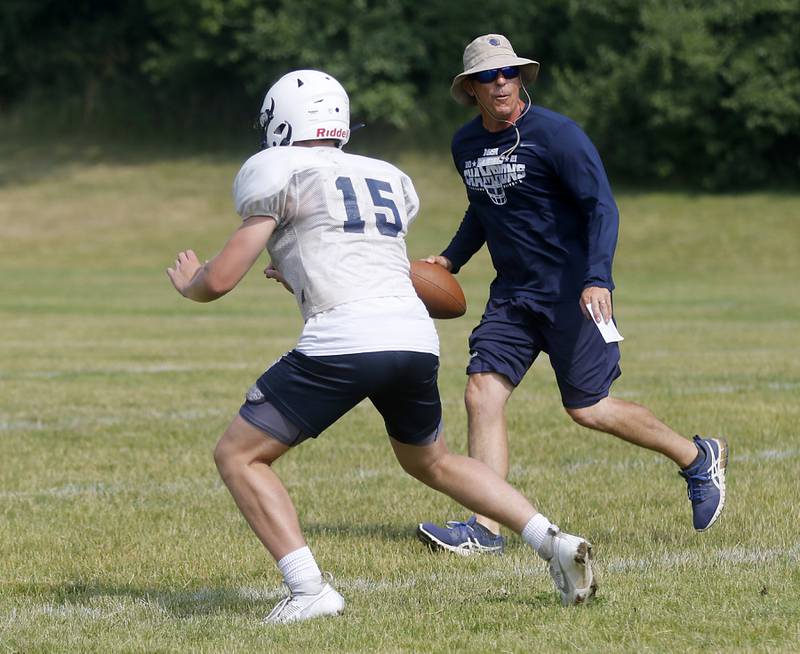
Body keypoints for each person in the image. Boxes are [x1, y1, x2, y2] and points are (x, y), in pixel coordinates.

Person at [166, 69, 599, 622]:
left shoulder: (277, 170)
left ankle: (309, 591)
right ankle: (553, 542)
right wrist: (294, 272)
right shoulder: (383, 175)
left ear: (281, 121)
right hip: (413, 337)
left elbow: (221, 278)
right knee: (432, 460)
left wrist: (192, 283)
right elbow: (353, 251)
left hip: (347, 337)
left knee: (239, 455)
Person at [416, 35, 728, 556]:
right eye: (488, 76)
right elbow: (483, 209)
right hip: (514, 296)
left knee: (589, 407)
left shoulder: (557, 135)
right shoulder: (464, 145)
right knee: (481, 393)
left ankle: (697, 458)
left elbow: (601, 207)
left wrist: (597, 278)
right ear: (470, 88)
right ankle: (485, 528)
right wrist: (450, 259)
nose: (500, 83)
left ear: (520, 80)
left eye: (509, 73)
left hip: (573, 295)